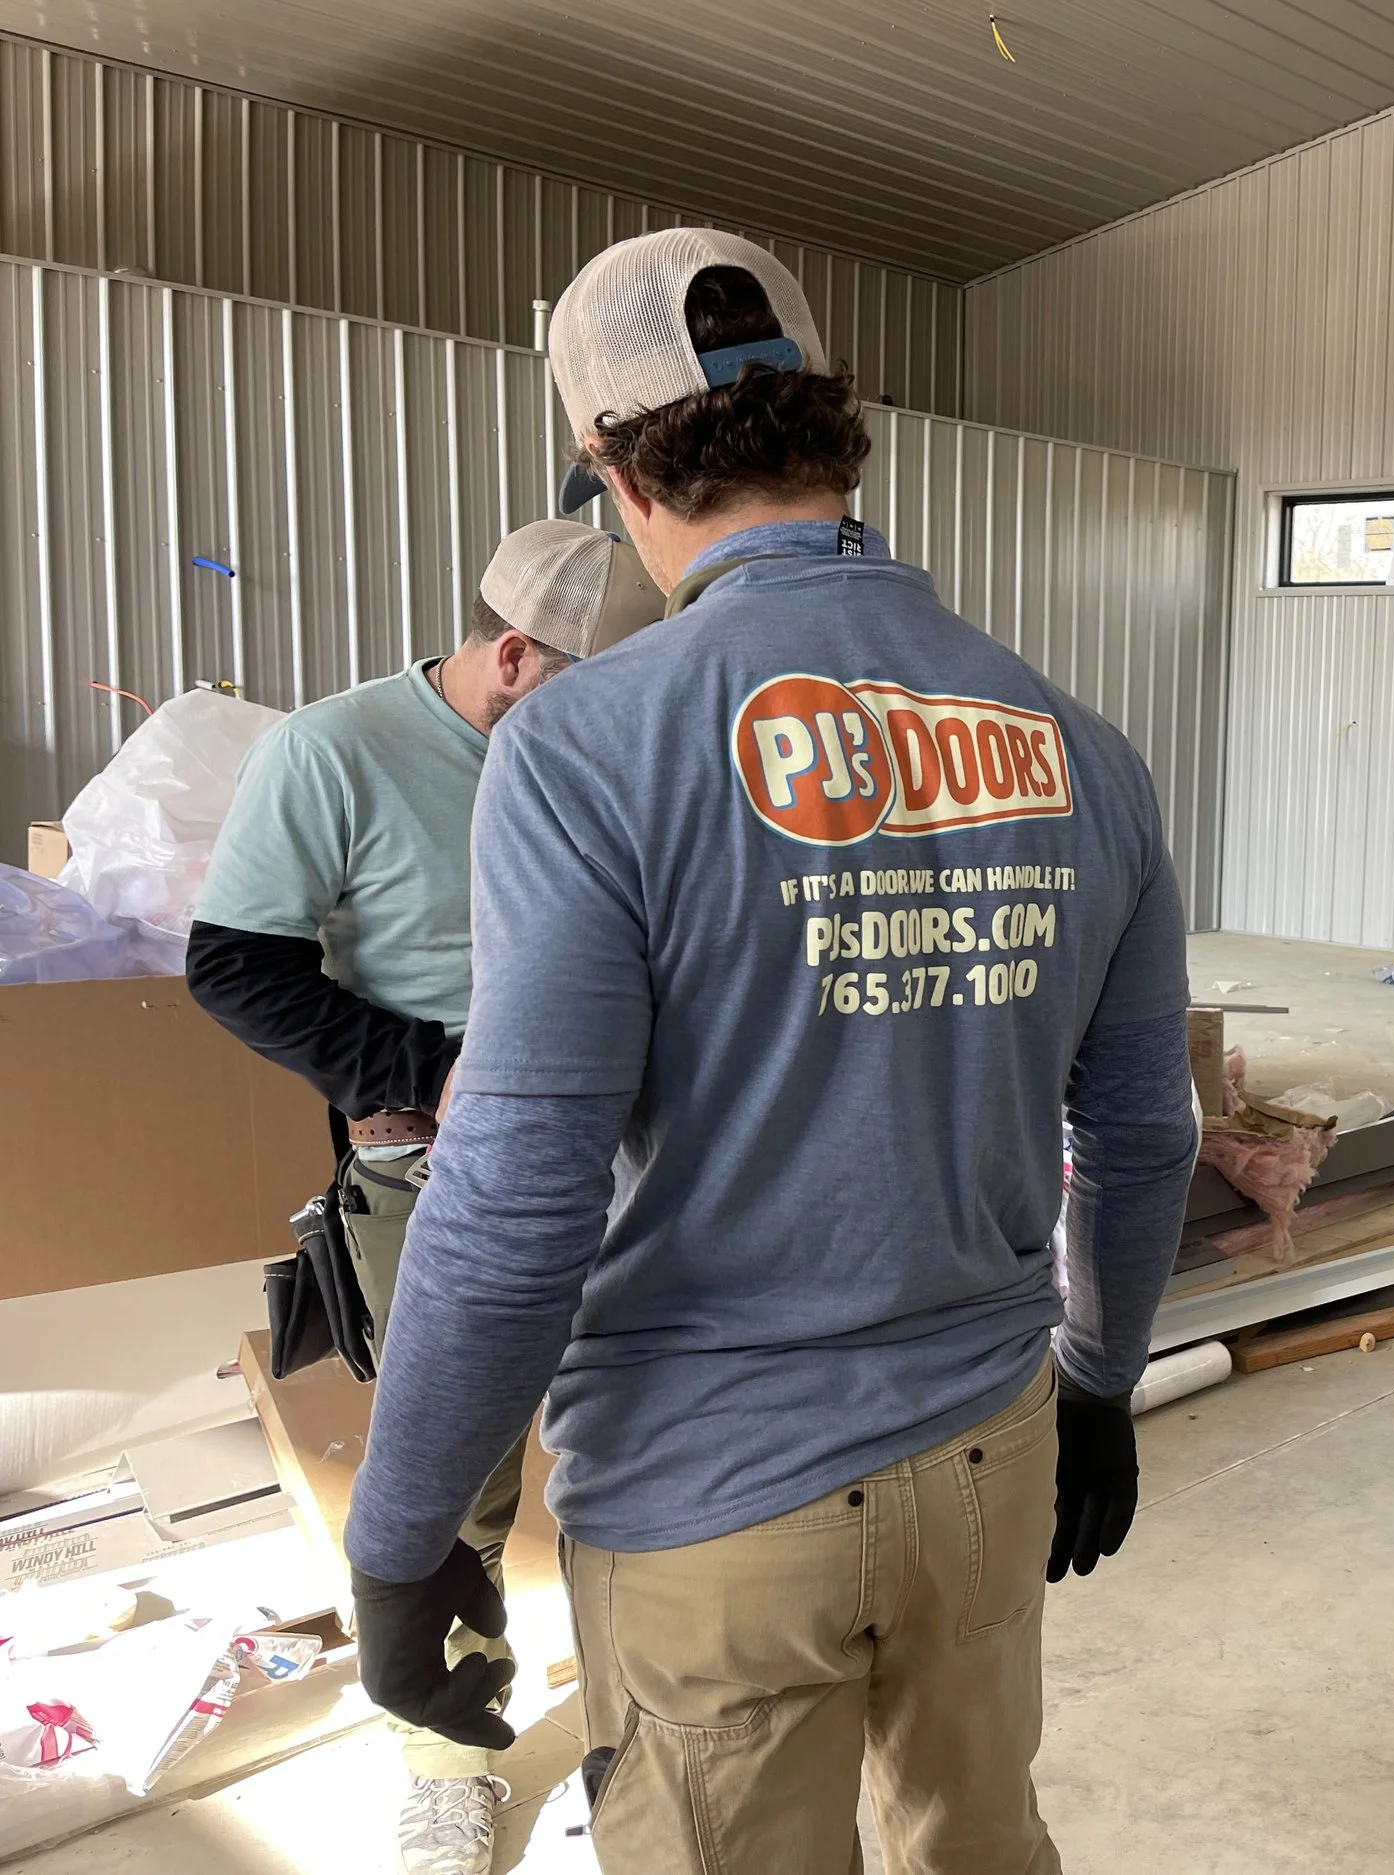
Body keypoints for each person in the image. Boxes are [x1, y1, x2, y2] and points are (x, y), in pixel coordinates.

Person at [336, 227, 1200, 1875]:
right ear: (834, 423)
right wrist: (1098, 1380)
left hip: (712, 1498)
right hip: (988, 1458)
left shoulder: (587, 744)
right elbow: (1143, 1131)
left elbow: (518, 1196)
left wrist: (402, 1533)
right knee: (981, 1843)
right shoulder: (1080, 743)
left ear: (609, 463)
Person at [187, 520, 666, 1875]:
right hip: (444, 1167)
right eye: (596, 689)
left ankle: (648, 1711)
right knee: (455, 1471)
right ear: (515, 653)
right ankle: (453, 1748)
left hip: (641, 1150)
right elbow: (233, 964)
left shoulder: (613, 747)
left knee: (651, 1443)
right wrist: (428, 1069)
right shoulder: (331, 754)